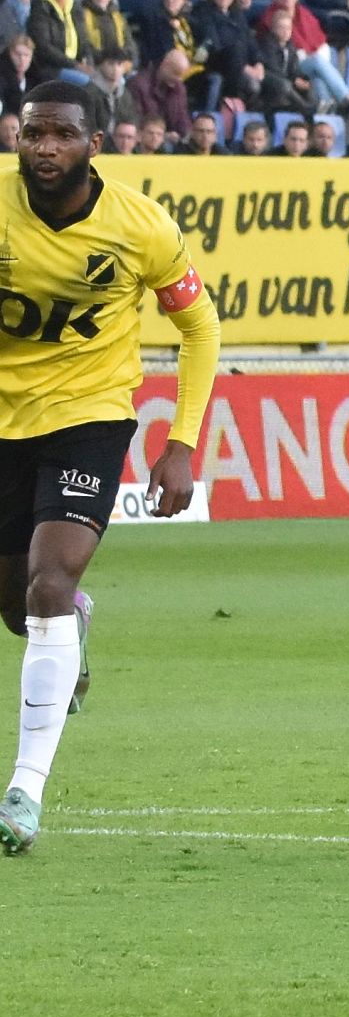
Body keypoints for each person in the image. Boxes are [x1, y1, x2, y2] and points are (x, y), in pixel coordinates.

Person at [0, 82, 222, 854]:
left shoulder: (141, 227)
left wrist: (182, 442)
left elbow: (199, 327)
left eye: (62, 134)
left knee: (49, 585)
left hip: (89, 416)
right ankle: (74, 625)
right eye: (32, 134)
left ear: (96, 142)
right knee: (16, 606)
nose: (45, 149)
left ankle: (24, 790)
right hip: (3, 421)